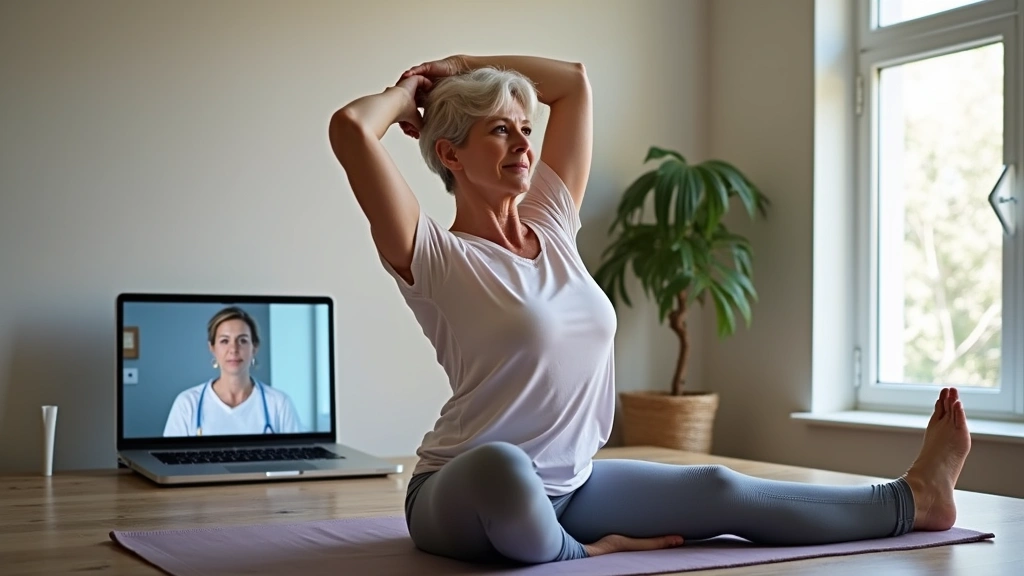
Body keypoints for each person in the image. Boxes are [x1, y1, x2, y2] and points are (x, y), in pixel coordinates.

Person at [327, 54, 973, 564]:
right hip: (462, 492)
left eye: (525, 129)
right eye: (500, 130)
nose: (524, 143)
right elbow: (352, 128)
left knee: (718, 488)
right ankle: (582, 554)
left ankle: (913, 499)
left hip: (572, 487)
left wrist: (462, 65)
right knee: (506, 468)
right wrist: (413, 91)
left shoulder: (551, 221)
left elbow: (573, 84)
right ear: (449, 154)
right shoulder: (435, 256)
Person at [163, 306, 303, 437]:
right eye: (224, 341)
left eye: (242, 341)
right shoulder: (187, 404)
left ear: (254, 347)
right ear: (212, 348)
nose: (233, 349)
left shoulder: (279, 403)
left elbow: (299, 459)